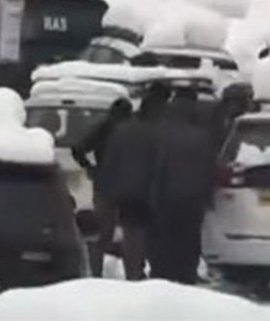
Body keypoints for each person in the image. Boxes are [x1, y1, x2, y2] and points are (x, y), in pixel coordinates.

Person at [149, 86, 219, 285]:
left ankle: (162, 274)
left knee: (164, 237)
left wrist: (152, 195)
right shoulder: (203, 135)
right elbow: (209, 168)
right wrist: (207, 196)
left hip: (166, 196)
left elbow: (156, 167)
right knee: (189, 237)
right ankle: (186, 274)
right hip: (193, 197)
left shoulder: (160, 130)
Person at [101, 84, 168, 280]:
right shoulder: (156, 133)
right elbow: (159, 166)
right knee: (142, 234)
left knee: (132, 233)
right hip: (147, 192)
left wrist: (108, 190)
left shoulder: (121, 130)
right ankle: (138, 272)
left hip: (125, 191)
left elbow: (110, 161)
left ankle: (133, 270)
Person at [72, 96, 132, 276]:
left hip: (107, 183)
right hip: (112, 184)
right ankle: (96, 270)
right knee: (108, 232)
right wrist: (90, 167)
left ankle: (96, 269)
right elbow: (78, 148)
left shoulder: (109, 127)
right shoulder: (108, 127)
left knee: (107, 232)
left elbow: (79, 148)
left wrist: (90, 167)